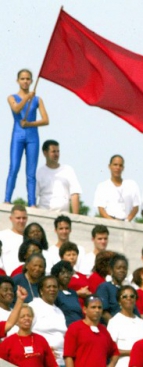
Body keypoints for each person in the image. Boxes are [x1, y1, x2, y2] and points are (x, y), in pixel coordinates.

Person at [5, 69, 49, 207]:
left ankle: (32, 203)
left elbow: (46, 120)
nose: (25, 81)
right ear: (17, 81)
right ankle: (7, 200)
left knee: (31, 171)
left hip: (32, 137)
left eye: (28, 79)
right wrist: (26, 97)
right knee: (14, 167)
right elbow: (16, 109)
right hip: (17, 135)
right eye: (22, 79)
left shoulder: (37, 99)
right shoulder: (11, 97)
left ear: (31, 81)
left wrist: (30, 123)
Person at [63, 295, 120, 367]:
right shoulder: (74, 328)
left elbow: (115, 353)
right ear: (85, 310)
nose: (97, 310)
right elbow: (68, 356)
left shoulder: (104, 331)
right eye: (93, 307)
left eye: (99, 307)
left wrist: (111, 365)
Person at [0, 303, 58, 367]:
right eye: (22, 316)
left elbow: (52, 364)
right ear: (16, 320)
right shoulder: (8, 342)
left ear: (32, 318)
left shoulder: (41, 340)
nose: (26, 318)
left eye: (29, 315)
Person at [30, 275, 68, 366]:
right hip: (42, 360)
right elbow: (24, 333)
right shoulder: (33, 307)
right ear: (41, 291)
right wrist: (42, 351)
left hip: (61, 361)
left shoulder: (59, 311)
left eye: (55, 287)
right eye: (48, 287)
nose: (52, 289)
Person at [36, 139, 82, 213]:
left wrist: (75, 217)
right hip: (44, 213)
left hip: (64, 215)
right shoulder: (39, 172)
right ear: (45, 153)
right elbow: (34, 196)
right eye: (53, 152)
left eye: (58, 151)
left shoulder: (68, 170)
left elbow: (75, 194)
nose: (56, 154)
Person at [107, 285, 143, 367]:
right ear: (119, 301)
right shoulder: (114, 322)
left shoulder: (142, 323)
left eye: (132, 296)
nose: (129, 299)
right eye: (124, 296)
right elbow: (110, 349)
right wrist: (133, 352)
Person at [94, 154, 141, 222]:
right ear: (109, 166)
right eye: (115, 165)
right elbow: (101, 209)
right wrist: (112, 222)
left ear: (123, 168)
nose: (118, 168)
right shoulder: (102, 186)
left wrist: (127, 220)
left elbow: (136, 207)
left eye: (120, 165)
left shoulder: (131, 185)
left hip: (126, 223)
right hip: (109, 222)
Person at [96, 254, 130, 323]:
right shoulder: (104, 287)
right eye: (118, 268)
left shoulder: (127, 290)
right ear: (111, 269)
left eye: (124, 268)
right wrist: (116, 325)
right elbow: (103, 312)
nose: (122, 270)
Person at [51, 260, 83, 326]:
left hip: (78, 326)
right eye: (63, 273)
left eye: (69, 273)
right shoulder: (54, 293)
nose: (66, 275)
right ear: (56, 275)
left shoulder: (73, 293)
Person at [0, 204, 28, 275]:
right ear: (11, 218)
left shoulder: (30, 238)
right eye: (18, 218)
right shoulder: (2, 236)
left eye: (24, 218)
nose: (21, 221)